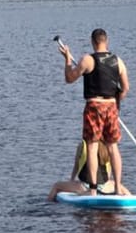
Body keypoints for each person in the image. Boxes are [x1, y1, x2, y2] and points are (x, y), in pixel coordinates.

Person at [57, 28, 131, 196]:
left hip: (94, 106)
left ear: (92, 42)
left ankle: (92, 190)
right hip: (111, 106)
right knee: (113, 147)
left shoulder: (87, 60)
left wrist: (68, 59)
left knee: (92, 147)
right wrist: (116, 103)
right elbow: (125, 88)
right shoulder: (118, 61)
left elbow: (69, 78)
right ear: (107, 41)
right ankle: (118, 187)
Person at [47, 140, 128, 201]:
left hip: (85, 186)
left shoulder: (83, 145)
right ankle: (129, 196)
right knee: (118, 185)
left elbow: (76, 166)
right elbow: (109, 171)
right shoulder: (110, 147)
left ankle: (48, 204)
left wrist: (71, 180)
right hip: (105, 186)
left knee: (56, 186)